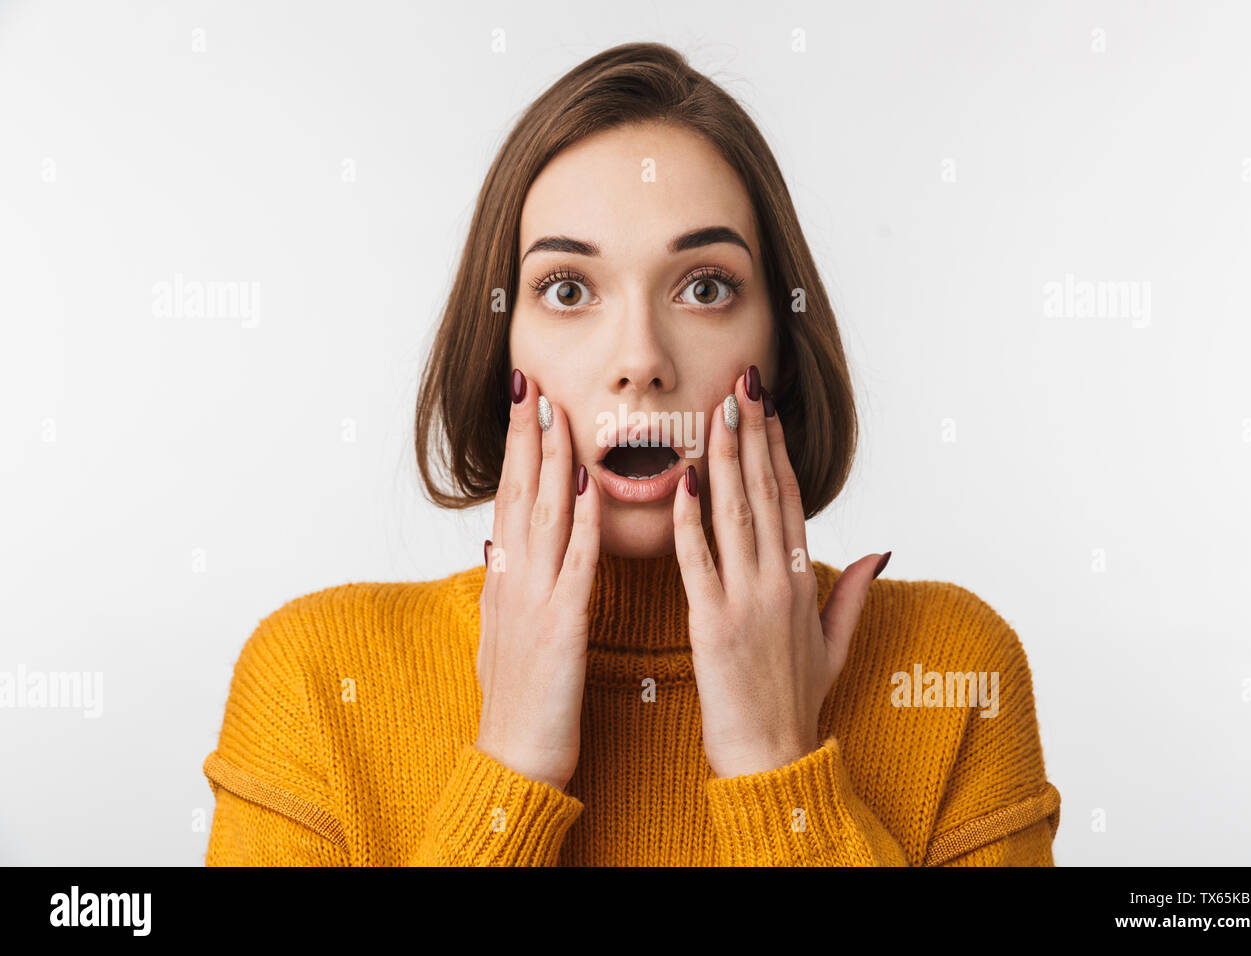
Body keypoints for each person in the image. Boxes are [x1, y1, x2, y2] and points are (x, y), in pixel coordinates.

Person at [202, 41, 1060, 866]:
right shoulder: (314, 680)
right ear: (500, 345)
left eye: (705, 288)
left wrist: (777, 768)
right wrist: (506, 773)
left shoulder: (949, 671)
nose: (641, 360)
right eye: (568, 290)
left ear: (782, 347)